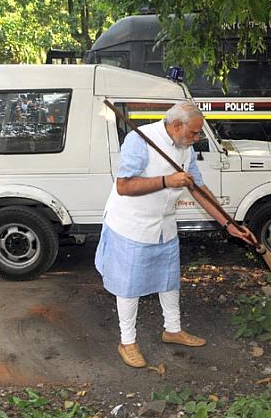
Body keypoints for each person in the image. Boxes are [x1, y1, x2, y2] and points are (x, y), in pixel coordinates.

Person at [95, 101, 255, 368]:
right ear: (176, 125)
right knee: (128, 286)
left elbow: (198, 188)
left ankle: (173, 329)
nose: (197, 138)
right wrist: (166, 181)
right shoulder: (140, 140)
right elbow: (123, 186)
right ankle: (127, 341)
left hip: (164, 223)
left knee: (169, 280)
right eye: (194, 132)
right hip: (131, 224)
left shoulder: (185, 148)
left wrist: (228, 224)